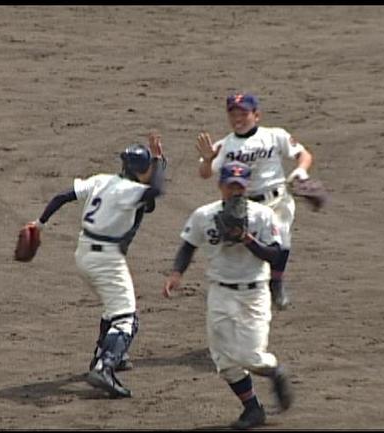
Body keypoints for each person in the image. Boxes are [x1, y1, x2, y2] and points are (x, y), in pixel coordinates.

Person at [29, 131, 167, 398]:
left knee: (111, 307)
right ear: (141, 171)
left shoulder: (103, 180)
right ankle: (104, 366)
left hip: (83, 254)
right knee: (127, 319)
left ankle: (104, 354)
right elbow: (157, 190)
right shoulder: (131, 190)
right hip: (106, 259)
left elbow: (61, 197)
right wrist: (158, 160)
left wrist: (40, 223)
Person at [162, 161, 293, 429]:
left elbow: (276, 254)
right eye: (229, 185)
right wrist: (177, 274)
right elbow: (188, 245)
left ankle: (275, 371)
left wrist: (247, 239)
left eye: (239, 186)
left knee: (250, 357)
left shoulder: (263, 216)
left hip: (253, 293)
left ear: (246, 188)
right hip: (220, 293)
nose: (234, 190)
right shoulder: (203, 215)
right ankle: (253, 410)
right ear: (220, 185)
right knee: (224, 361)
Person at [195, 92, 314, 310]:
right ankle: (237, 289)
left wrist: (300, 172)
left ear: (256, 115)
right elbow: (205, 173)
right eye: (233, 114)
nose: (237, 119)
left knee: (281, 239)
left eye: (243, 113)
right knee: (242, 247)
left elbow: (304, 155)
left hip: (277, 200)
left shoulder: (274, 135)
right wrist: (209, 160)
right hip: (243, 205)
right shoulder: (224, 146)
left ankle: (276, 283)